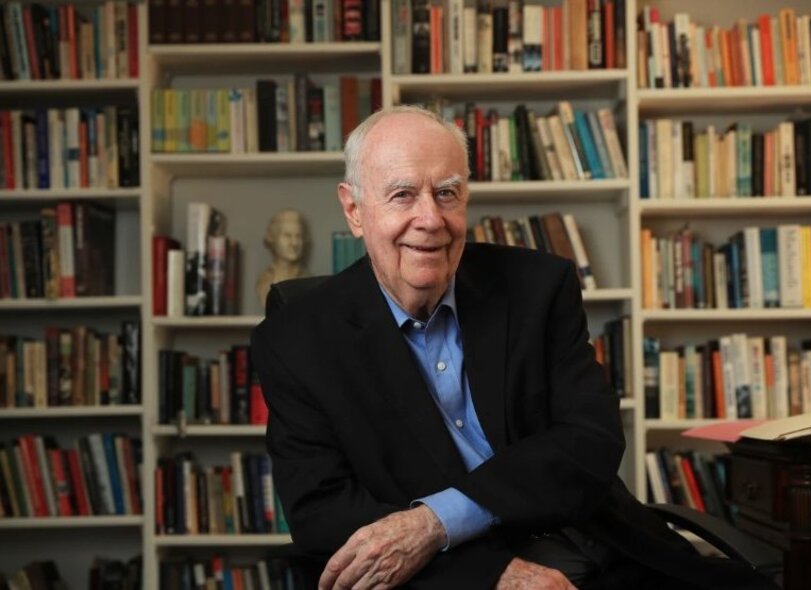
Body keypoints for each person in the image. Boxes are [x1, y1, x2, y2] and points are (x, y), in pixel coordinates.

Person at [251, 106, 775, 589]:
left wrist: (436, 521)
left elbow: (588, 440)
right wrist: (494, 574)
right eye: (403, 194)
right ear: (355, 209)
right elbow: (322, 510)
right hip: (450, 577)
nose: (430, 219)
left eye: (448, 193)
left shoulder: (538, 287)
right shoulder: (298, 338)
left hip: (597, 542)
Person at [257, 208, 310, 306]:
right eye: (287, 236)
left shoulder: (308, 281)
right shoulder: (265, 280)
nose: (294, 243)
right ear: (273, 238)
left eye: (298, 236)